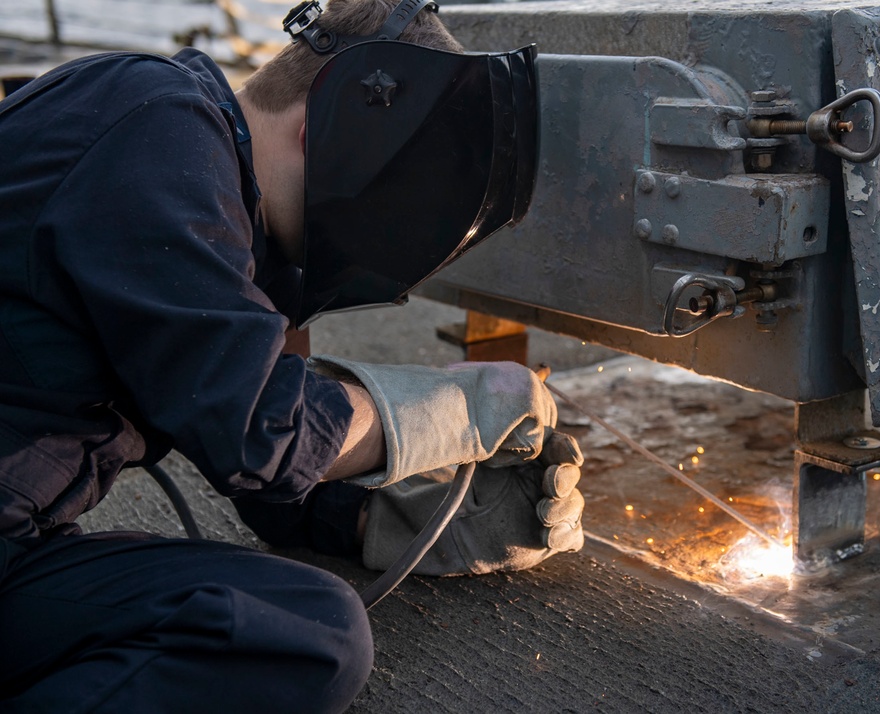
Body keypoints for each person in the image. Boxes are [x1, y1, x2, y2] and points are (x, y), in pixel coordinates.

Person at [0, 1, 586, 712]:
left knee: (286, 618)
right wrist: (455, 409)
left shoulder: (221, 219)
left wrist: (387, 522)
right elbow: (261, 429)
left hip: (19, 541)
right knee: (304, 629)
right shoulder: (157, 124)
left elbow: (262, 473)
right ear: (327, 129)